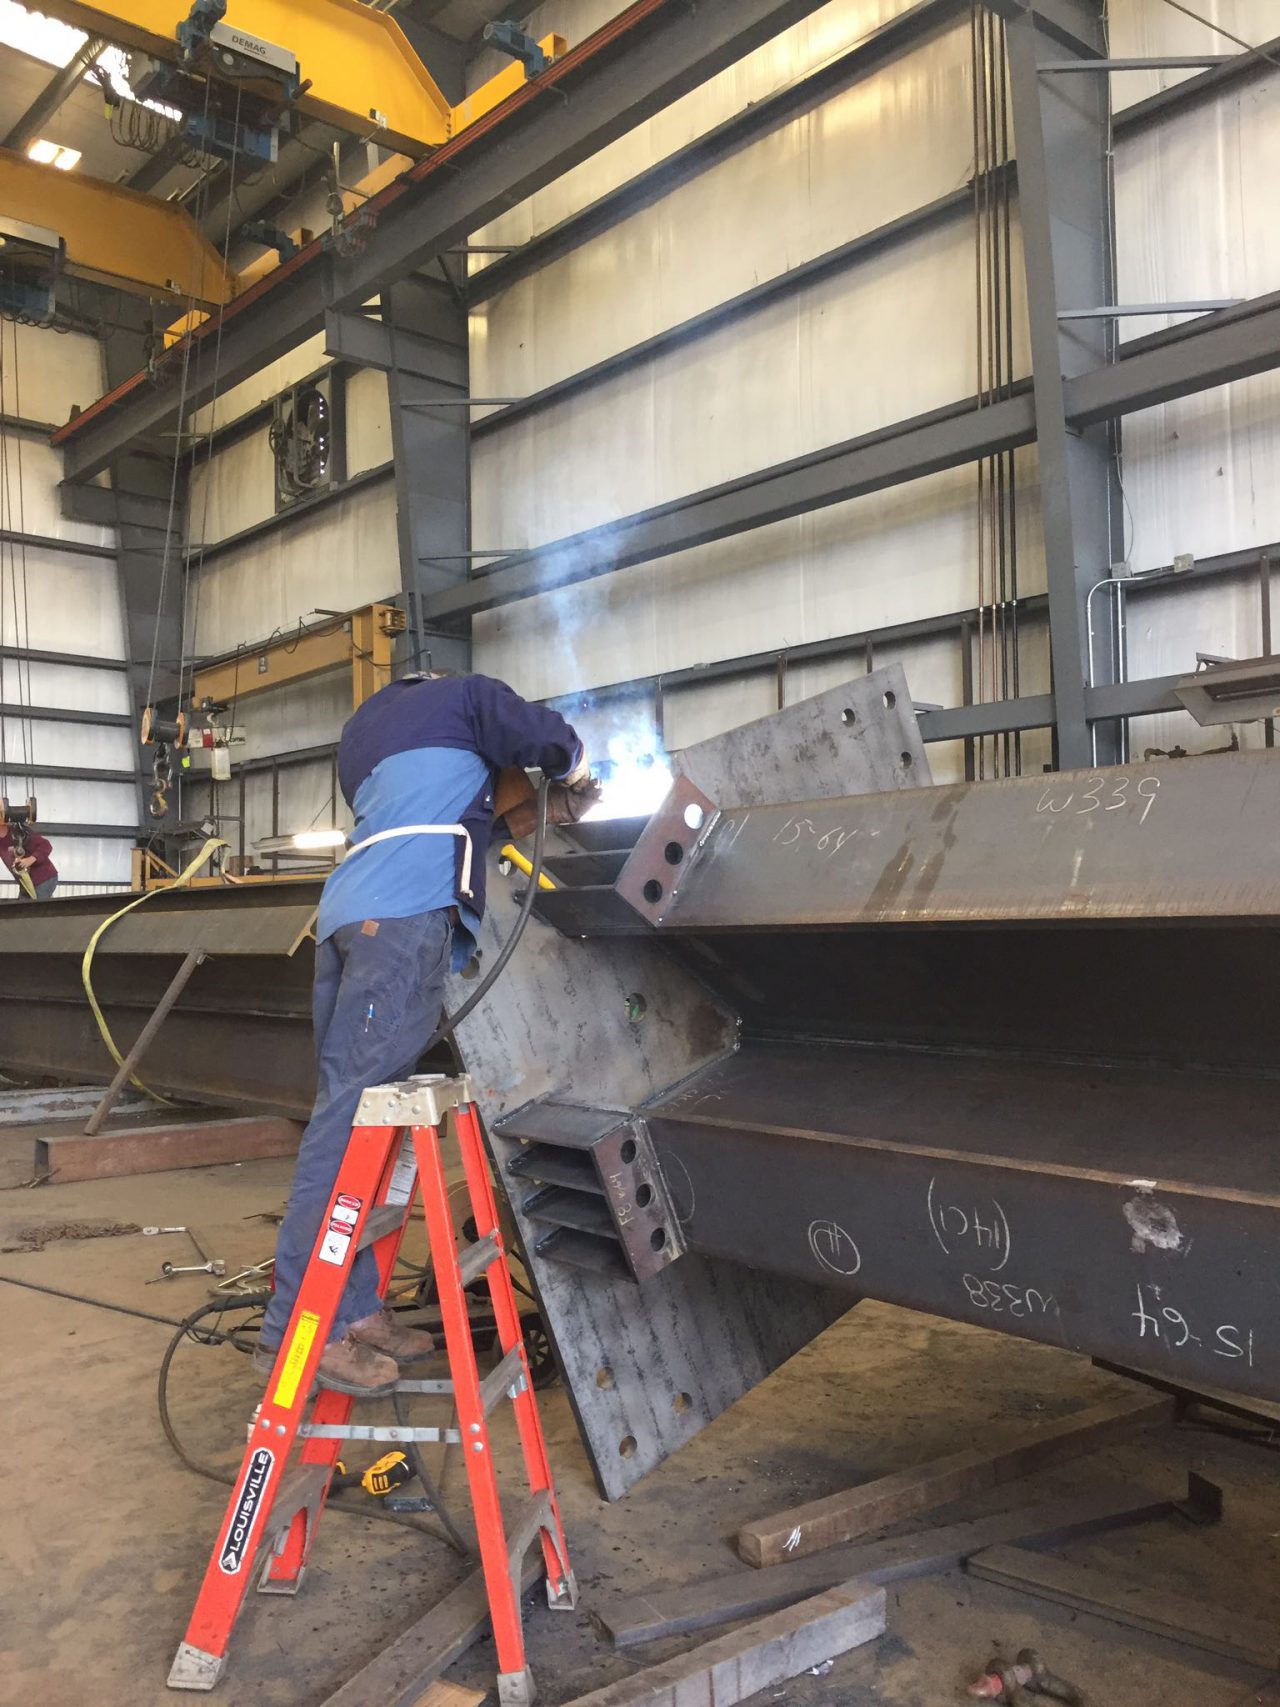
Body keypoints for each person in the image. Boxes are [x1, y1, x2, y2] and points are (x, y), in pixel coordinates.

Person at [255, 671, 590, 1396]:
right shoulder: (467, 695)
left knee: (363, 1124)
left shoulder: (366, 733)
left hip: (348, 915)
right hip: (403, 923)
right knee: (345, 1125)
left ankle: (355, 1307)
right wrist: (577, 764)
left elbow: (461, 827)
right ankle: (298, 1333)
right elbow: (546, 739)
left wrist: (544, 809)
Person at [0, 824, 57, 900]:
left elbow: (46, 845)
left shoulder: (19, 831)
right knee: (23, 906)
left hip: (44, 878)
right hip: (25, 882)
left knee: (36, 906)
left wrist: (31, 859)